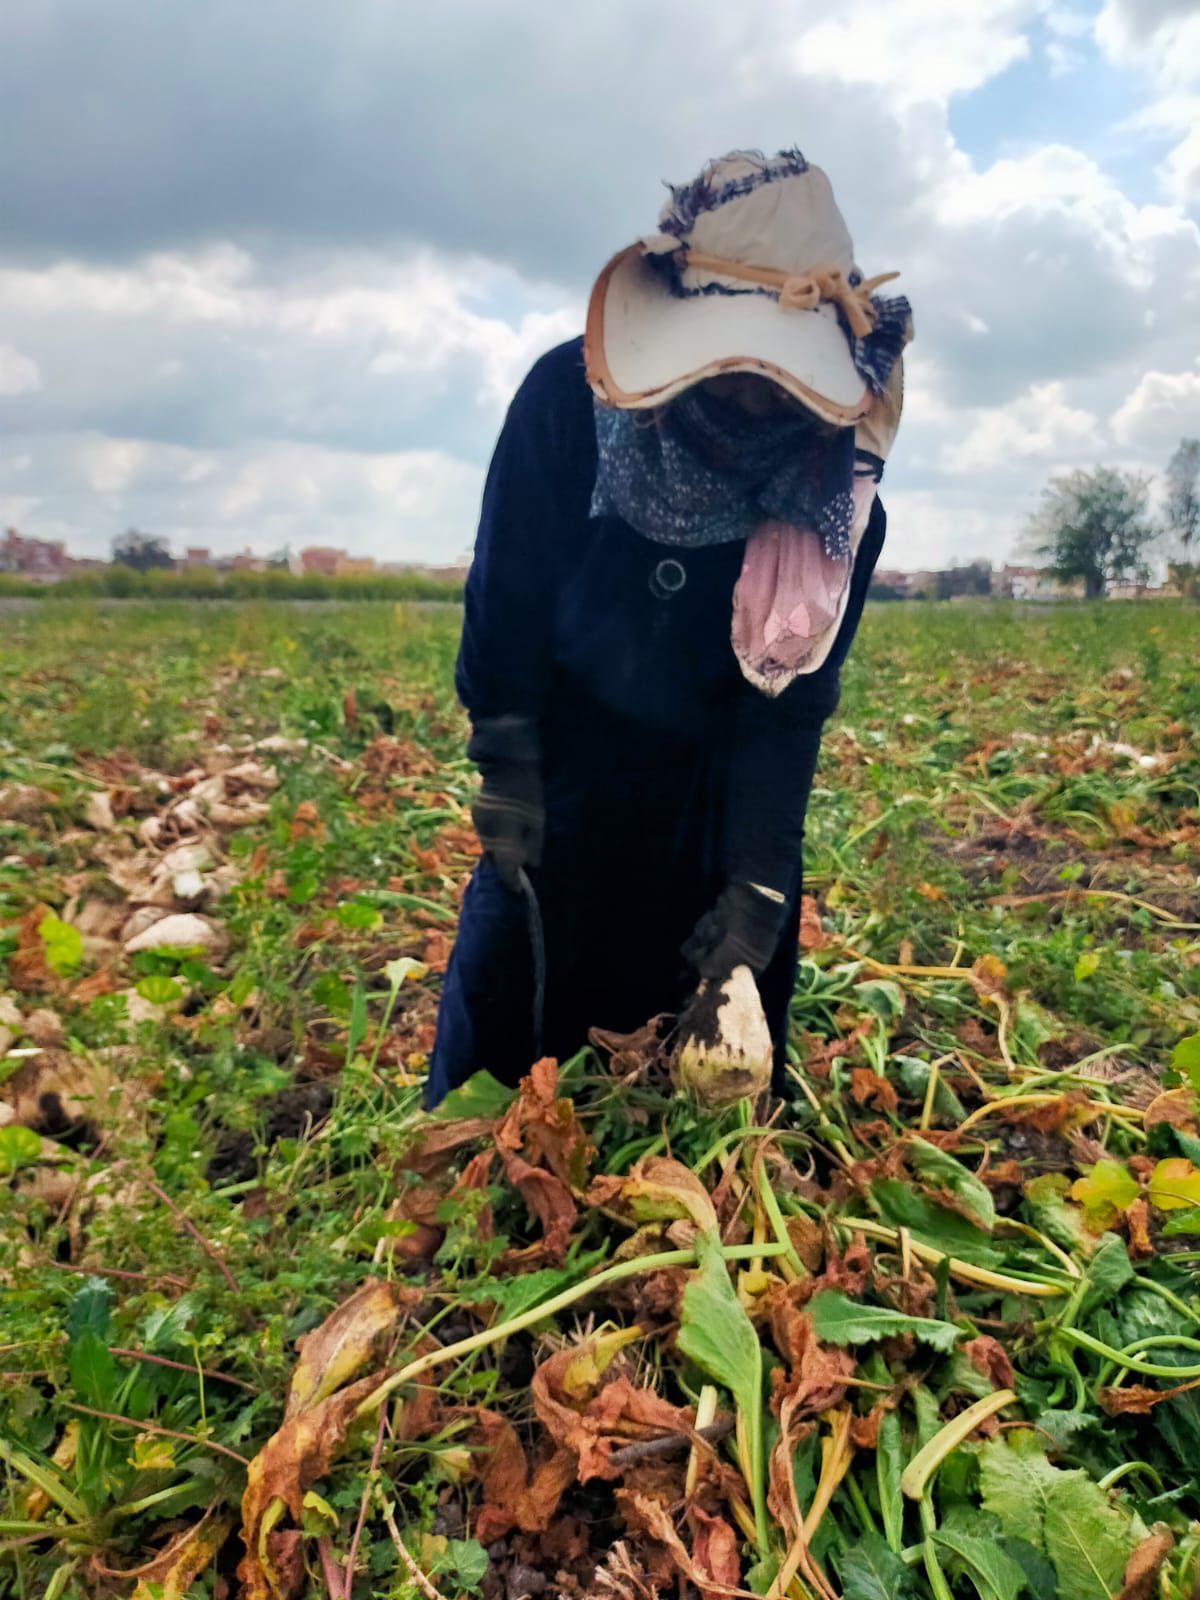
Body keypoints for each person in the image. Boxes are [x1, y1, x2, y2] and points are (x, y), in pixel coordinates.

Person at [425, 148, 911, 1107]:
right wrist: (507, 762)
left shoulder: (834, 512)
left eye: (779, 379)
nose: (750, 396)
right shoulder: (566, 404)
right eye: (729, 368)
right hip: (567, 761)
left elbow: (786, 709)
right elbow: (508, 595)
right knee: (505, 1044)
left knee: (718, 1076)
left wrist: (759, 890)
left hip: (717, 790)